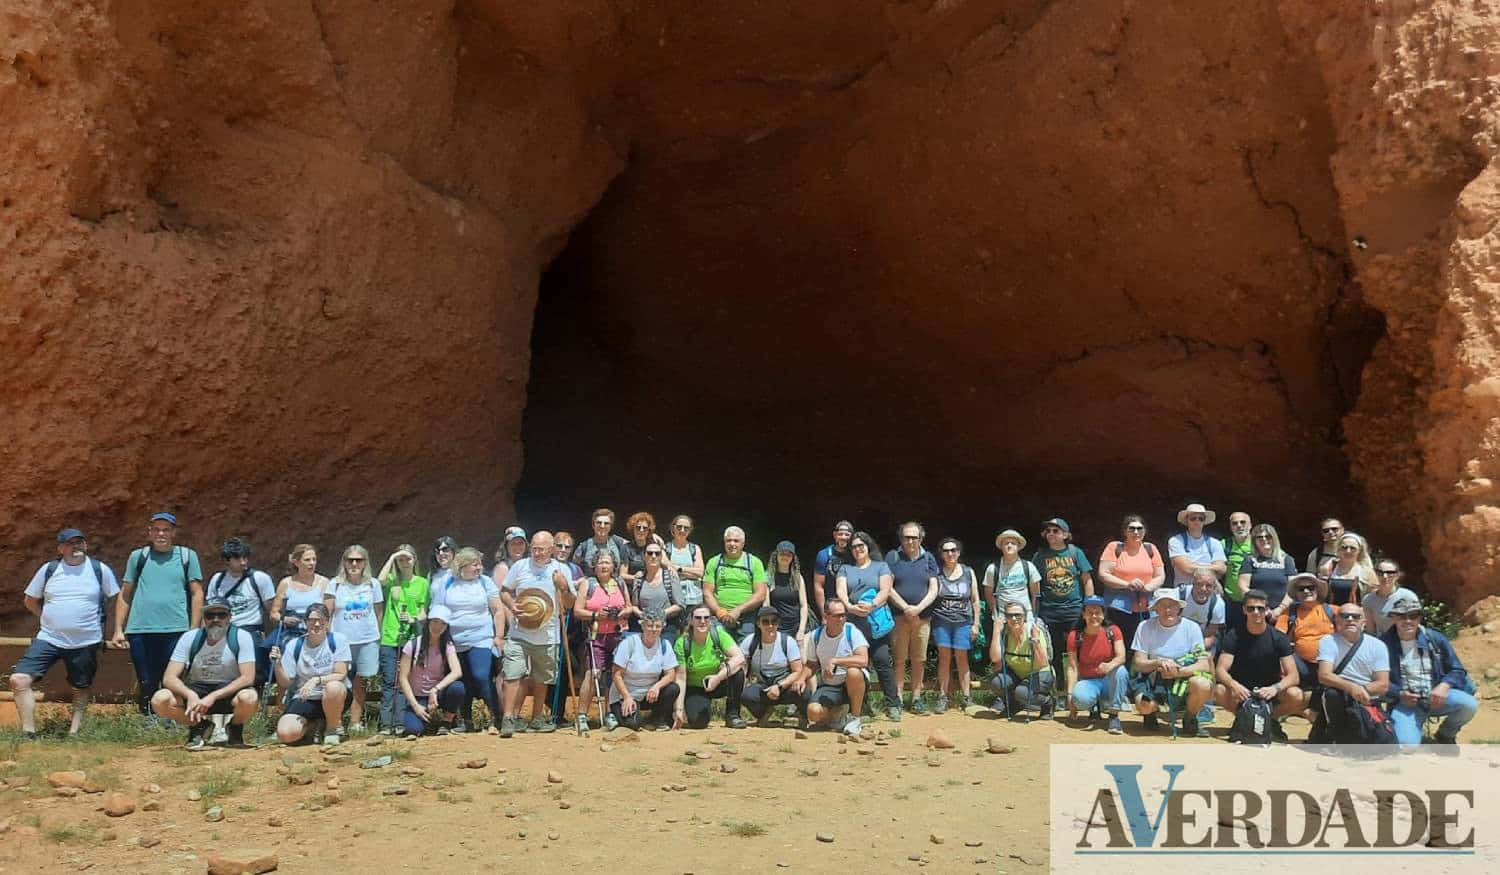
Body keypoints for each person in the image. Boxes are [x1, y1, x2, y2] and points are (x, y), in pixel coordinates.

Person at [9, 528, 122, 739]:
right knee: (19, 679)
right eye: (70, 543)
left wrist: (117, 630)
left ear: (86, 545)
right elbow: (30, 600)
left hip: (86, 640)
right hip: (49, 638)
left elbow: (117, 598)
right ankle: (28, 732)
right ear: (60, 549)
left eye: (80, 542)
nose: (76, 546)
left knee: (81, 686)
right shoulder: (49, 569)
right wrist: (46, 617)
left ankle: (74, 731)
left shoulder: (99, 569)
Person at [113, 511, 204, 719]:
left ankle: (173, 720)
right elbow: (125, 594)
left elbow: (197, 593)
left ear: (174, 533)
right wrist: (118, 629)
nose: (161, 534)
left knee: (173, 679)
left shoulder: (187, 556)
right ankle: (148, 721)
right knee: (146, 680)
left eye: (166, 530)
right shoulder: (138, 557)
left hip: (176, 629)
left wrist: (193, 629)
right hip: (140, 629)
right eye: (156, 529)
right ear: (149, 532)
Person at [151, 598, 258, 749]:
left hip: (229, 690)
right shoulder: (190, 638)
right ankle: (199, 726)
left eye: (221, 615)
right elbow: (169, 677)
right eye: (210, 615)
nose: (216, 620)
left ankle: (235, 728)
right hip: (197, 689)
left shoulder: (241, 637)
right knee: (160, 700)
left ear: (229, 617)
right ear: (204, 618)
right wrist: (190, 695)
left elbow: (248, 677)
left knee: (249, 698)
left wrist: (213, 696)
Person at [499, 531, 575, 736]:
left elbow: (569, 605)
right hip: (519, 632)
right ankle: (508, 719)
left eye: (541, 549)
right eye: (534, 548)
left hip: (549, 634)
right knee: (513, 674)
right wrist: (512, 605)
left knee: (542, 678)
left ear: (552, 549)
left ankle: (537, 718)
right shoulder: (520, 566)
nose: (537, 553)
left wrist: (564, 587)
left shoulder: (562, 570)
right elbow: (504, 591)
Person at [1381, 595, 1477, 748]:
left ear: (1420, 618)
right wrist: (1399, 694)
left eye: (1413, 616)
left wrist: (1444, 686)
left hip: (1437, 699)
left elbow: (1457, 670)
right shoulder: (1383, 644)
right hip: (1405, 703)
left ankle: (1446, 734)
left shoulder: (1435, 638)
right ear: (1393, 617)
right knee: (1406, 745)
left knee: (1469, 705)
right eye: (1401, 616)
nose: (1407, 621)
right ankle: (1413, 729)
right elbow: (1378, 680)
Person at [427, 547, 504, 733]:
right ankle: (466, 720)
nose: (479, 567)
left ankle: (497, 717)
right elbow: (438, 608)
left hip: (481, 638)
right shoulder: (447, 582)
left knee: (481, 676)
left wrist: (499, 636)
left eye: (480, 563)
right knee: (464, 681)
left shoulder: (485, 582)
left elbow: (498, 610)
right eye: (474, 564)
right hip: (454, 641)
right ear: (462, 566)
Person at [1213, 589, 1302, 742]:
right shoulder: (1233, 636)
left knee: (1296, 695)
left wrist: (1275, 688)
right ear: (1244, 610)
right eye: (1251, 608)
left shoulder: (1279, 638)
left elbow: (1293, 676)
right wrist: (1234, 685)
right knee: (1219, 690)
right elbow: (1220, 670)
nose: (1256, 612)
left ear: (1267, 610)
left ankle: (1269, 720)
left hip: (1269, 692)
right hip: (1242, 692)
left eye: (1260, 608)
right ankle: (1243, 717)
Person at [1129, 588, 1213, 737]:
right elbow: (1139, 662)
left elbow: (1203, 664)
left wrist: (1178, 671)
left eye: (1172, 605)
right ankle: (1151, 712)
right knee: (1144, 706)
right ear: (1155, 608)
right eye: (1162, 605)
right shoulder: (1144, 627)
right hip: (1153, 676)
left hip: (1182, 676)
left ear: (1179, 607)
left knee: (1203, 684)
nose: (1168, 610)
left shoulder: (1191, 628)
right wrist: (1157, 663)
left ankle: (1190, 717)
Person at [836, 531, 900, 721]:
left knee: (882, 662)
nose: (857, 549)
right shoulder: (845, 569)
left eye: (861, 545)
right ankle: (862, 706)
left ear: (868, 546)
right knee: (857, 665)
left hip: (877, 622)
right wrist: (849, 607)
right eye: (854, 547)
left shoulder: (881, 566)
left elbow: (886, 590)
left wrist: (871, 606)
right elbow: (841, 590)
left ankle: (893, 704)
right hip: (854, 624)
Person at [1031, 518, 1093, 707]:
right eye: (1048, 531)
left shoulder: (1075, 553)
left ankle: (1081, 692)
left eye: (1056, 531)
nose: (1051, 534)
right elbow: (1034, 585)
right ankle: (1057, 693)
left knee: (1080, 652)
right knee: (1054, 653)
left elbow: (1086, 579)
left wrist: (1089, 607)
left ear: (1065, 535)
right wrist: (1034, 613)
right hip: (1049, 611)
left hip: (1074, 610)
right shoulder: (1040, 556)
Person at [324, 545, 383, 734]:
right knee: (339, 681)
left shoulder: (373, 584)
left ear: (365, 562)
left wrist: (379, 638)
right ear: (344, 562)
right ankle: (336, 722)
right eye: (350, 560)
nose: (354, 564)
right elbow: (326, 613)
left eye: (359, 560)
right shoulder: (335, 584)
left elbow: (378, 613)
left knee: (361, 681)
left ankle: (356, 722)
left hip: (367, 639)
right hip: (341, 641)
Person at [272, 603, 350, 745]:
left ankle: (332, 729)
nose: (317, 623)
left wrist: (316, 680)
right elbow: (285, 682)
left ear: (328, 621)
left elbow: (341, 674)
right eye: (312, 620)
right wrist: (277, 664)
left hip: (334, 696)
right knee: (286, 734)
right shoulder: (294, 645)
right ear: (306, 622)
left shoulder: (338, 640)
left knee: (333, 687)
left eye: (321, 619)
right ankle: (312, 727)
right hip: (305, 697)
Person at [1313, 602, 1390, 742]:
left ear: (1364, 622)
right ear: (1336, 620)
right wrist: (1352, 688)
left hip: (1366, 696)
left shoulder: (1378, 646)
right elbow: (1324, 676)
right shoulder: (1328, 641)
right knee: (1332, 695)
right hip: (1338, 695)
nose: (1350, 619)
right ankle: (1337, 739)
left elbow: (1383, 684)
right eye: (1344, 616)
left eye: (1355, 616)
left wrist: (1361, 691)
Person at [204, 537, 275, 687]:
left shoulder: (259, 579)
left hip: (250, 629)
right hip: (224, 630)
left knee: (255, 669)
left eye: (245, 557)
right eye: (237, 558)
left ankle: (255, 697)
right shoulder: (217, 580)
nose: (243, 562)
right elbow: (210, 608)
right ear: (227, 560)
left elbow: (272, 609)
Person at [575, 551, 633, 729]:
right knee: (593, 673)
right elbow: (577, 611)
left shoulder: (620, 583)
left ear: (614, 566)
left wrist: (623, 613)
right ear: (594, 566)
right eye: (600, 562)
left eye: (607, 562)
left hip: (617, 635)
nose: (604, 566)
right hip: (596, 635)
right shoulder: (588, 584)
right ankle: (582, 715)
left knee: (612, 675)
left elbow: (629, 607)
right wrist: (595, 615)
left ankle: (609, 713)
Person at [1094, 515, 1164, 659]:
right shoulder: (1114, 547)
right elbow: (1103, 573)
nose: (1136, 532)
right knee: (1119, 646)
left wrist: (1149, 587)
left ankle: (1141, 678)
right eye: (1131, 528)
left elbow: (1160, 575)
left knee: (1145, 646)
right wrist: (1127, 584)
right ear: (1125, 531)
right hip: (1119, 607)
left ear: (1145, 531)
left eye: (1140, 528)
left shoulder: (1151, 549)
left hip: (1146, 607)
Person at [885, 522, 938, 713]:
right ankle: (898, 699)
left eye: (914, 537)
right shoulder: (892, 557)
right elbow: (887, 587)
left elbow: (934, 587)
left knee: (919, 659)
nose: (910, 541)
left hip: (922, 618)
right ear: (901, 538)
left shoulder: (929, 558)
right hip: (899, 617)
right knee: (899, 659)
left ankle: (916, 698)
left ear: (920, 539)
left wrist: (918, 608)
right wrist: (906, 607)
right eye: (906, 537)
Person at [376, 544, 429, 735]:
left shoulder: (422, 583)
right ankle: (385, 724)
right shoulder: (392, 581)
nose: (404, 562)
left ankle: (400, 723)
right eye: (401, 559)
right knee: (390, 681)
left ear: (415, 560)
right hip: (390, 638)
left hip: (410, 638)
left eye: (408, 558)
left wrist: (414, 618)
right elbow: (379, 581)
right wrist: (393, 556)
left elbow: (424, 612)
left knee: (404, 680)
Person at [803, 599, 870, 737]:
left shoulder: (852, 631)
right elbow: (812, 665)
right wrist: (800, 678)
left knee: (853, 672)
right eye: (836, 615)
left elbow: (863, 660)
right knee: (813, 712)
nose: (841, 619)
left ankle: (855, 718)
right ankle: (836, 716)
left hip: (852, 682)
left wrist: (836, 661)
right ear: (826, 616)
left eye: (843, 615)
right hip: (830, 685)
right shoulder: (816, 636)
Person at [674, 605, 747, 729]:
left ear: (711, 620)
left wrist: (718, 677)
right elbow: (681, 678)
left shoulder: (719, 635)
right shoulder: (682, 643)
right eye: (698, 618)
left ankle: (732, 715)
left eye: (706, 618)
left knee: (738, 672)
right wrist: (679, 709)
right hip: (695, 688)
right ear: (691, 621)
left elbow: (740, 658)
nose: (702, 621)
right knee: (698, 723)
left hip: (716, 682)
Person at [397, 605, 465, 737]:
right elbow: (403, 678)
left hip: (437, 695)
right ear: (428, 622)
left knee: (458, 688)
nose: (437, 627)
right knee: (414, 730)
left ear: (446, 627)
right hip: (417, 697)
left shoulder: (447, 646)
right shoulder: (412, 645)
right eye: (434, 622)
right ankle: (426, 721)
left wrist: (435, 689)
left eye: (442, 624)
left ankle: (447, 721)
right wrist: (415, 706)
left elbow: (457, 671)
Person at [929, 537, 979, 714]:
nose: (950, 554)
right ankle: (943, 697)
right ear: (941, 554)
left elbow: (975, 599)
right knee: (944, 657)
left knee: (962, 658)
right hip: (942, 620)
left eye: (953, 550)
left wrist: (976, 624)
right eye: (946, 551)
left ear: (958, 552)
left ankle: (966, 697)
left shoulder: (968, 572)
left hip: (963, 620)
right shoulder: (937, 573)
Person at [609, 610, 681, 731]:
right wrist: (627, 697)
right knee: (633, 725)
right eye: (649, 625)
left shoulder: (664, 645)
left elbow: (671, 673)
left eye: (657, 626)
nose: (653, 629)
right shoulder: (629, 644)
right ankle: (624, 714)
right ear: (642, 626)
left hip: (649, 694)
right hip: (625, 693)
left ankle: (656, 719)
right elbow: (616, 674)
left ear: (662, 627)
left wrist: (657, 686)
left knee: (673, 688)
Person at [1065, 595, 1127, 734]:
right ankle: (1093, 705)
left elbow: (1121, 657)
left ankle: (1113, 715)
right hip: (1088, 681)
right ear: (1083, 615)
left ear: (1103, 615)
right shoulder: (1075, 636)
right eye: (1090, 612)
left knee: (1121, 671)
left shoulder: (1113, 631)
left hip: (1108, 680)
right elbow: (1072, 667)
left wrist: (1109, 666)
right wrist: (1070, 695)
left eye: (1098, 612)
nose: (1094, 616)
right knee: (1080, 700)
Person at [740, 606, 809, 727]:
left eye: (774, 621)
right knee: (745, 695)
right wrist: (742, 685)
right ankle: (763, 713)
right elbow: (743, 668)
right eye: (765, 622)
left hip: (785, 685)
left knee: (804, 693)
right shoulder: (750, 642)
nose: (770, 626)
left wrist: (779, 686)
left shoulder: (788, 641)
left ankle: (802, 715)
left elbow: (798, 671)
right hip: (764, 687)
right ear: (758, 624)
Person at [1274, 573, 1336, 703]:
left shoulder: (1332, 610)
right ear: (1296, 593)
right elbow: (1278, 638)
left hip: (1330, 664)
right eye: (1301, 589)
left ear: (1317, 590)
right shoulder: (1290, 612)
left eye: (1310, 587)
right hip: (1301, 664)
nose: (1306, 591)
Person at [987, 604, 1054, 720]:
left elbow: (1043, 663)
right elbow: (995, 658)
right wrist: (996, 631)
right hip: (1017, 673)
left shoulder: (1033, 631)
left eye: (1017, 615)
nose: (1013, 619)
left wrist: (1035, 640)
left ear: (1025, 617)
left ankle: (1047, 702)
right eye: (1009, 615)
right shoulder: (1005, 634)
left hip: (1040, 673)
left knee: (1022, 692)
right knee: (995, 682)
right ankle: (1014, 705)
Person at [703, 526, 770, 640]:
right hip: (720, 616)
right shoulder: (714, 562)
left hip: (747, 616)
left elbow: (761, 594)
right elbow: (707, 592)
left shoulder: (754, 562)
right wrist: (721, 613)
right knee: (716, 642)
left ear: (743, 544)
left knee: (747, 647)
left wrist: (738, 610)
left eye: (736, 541)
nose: (732, 544)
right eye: (728, 540)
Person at [1235, 524, 1297, 631]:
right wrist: (1261, 607)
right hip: (1256, 613)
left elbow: (1293, 588)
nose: (1264, 540)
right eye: (1260, 537)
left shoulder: (1286, 560)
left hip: (1282, 614)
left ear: (1274, 538)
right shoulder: (1249, 560)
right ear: (1254, 541)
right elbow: (1242, 586)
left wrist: (1279, 609)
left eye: (1268, 536)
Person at [269, 544, 330, 653]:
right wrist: (285, 620)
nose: (311, 563)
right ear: (296, 562)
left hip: (316, 634)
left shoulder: (324, 583)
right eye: (307, 560)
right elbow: (274, 613)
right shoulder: (285, 583)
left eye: (314, 559)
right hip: (291, 635)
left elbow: (329, 613)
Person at [981, 529, 1040, 620]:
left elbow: (1035, 594)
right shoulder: (992, 569)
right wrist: (995, 614)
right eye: (1006, 543)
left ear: (1018, 547)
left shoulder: (1029, 566)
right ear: (1001, 547)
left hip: (1025, 616)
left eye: (1013, 543)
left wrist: (1033, 616)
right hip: (1002, 617)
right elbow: (989, 594)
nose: (1009, 546)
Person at [1167, 503, 1226, 589]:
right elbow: (1186, 568)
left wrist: (1193, 566)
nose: (1197, 521)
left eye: (1200, 519)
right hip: (1185, 592)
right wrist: (1213, 568)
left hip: (1209, 591)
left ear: (1204, 521)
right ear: (1187, 520)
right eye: (1193, 518)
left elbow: (1222, 569)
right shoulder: (1176, 541)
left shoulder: (1215, 542)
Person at [629, 542, 683, 636]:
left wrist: (661, 614)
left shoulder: (670, 576)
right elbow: (634, 606)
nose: (653, 556)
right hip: (645, 627)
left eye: (657, 553)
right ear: (644, 556)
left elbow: (680, 605)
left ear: (661, 557)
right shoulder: (639, 578)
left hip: (667, 626)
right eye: (650, 553)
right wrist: (642, 615)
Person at [663, 515, 706, 628]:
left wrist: (678, 569)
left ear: (690, 530)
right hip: (673, 599)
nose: (682, 530)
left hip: (694, 599)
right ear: (673, 528)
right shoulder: (665, 548)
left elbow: (700, 573)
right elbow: (667, 571)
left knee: (691, 631)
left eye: (686, 528)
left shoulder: (695, 548)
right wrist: (691, 572)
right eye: (679, 527)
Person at [765, 541, 810, 646]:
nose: (785, 557)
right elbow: (766, 605)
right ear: (776, 555)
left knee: (801, 660)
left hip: (797, 626)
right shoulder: (769, 577)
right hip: (777, 627)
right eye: (782, 554)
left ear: (793, 557)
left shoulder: (798, 578)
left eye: (788, 554)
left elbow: (804, 605)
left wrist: (801, 630)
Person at [1361, 559, 1419, 635]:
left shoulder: (1408, 596)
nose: (1385, 576)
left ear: (1397, 575)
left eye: (1390, 573)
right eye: (1380, 573)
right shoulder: (1368, 600)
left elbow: (1416, 623)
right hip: (1383, 641)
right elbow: (1370, 630)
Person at [811, 521, 855, 622]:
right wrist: (823, 613)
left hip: (854, 606)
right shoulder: (824, 555)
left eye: (847, 535)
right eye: (840, 534)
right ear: (834, 535)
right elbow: (818, 586)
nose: (843, 537)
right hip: (833, 608)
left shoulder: (856, 553)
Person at [1319, 532, 1375, 607]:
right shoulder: (1327, 569)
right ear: (1338, 549)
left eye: (1352, 548)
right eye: (1344, 547)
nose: (1348, 551)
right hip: (1330, 614)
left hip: (1355, 616)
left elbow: (1372, 600)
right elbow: (1320, 595)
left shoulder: (1367, 572)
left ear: (1359, 551)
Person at [1221, 511, 1254, 634]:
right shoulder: (1224, 544)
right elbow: (1215, 568)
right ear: (1230, 527)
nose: (1239, 525)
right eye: (1235, 523)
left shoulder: (1260, 543)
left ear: (1250, 525)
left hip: (1254, 600)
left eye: (1243, 522)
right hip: (1231, 601)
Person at [1179, 568, 1225, 653]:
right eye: (1199, 584)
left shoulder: (1217, 605)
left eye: (1208, 586)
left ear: (1214, 587)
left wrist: (1196, 650)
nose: (1203, 589)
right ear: (1192, 583)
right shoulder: (1179, 595)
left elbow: (1210, 635)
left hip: (1201, 640)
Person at [574, 507, 628, 574]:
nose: (602, 526)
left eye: (606, 523)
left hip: (614, 583)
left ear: (611, 526)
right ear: (593, 525)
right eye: (599, 523)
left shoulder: (618, 543)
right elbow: (575, 570)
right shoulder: (584, 546)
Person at [618, 511, 659, 587]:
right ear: (632, 529)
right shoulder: (626, 548)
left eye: (645, 528)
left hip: (653, 586)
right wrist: (635, 578)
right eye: (638, 527)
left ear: (649, 531)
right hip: (634, 588)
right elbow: (622, 575)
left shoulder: (654, 546)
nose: (641, 530)